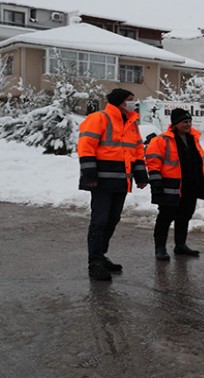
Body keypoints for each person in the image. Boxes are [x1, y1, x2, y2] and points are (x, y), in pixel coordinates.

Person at [78, 88, 148, 281]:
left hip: (121, 180)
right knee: (99, 222)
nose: (134, 103)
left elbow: (137, 150)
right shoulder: (100, 118)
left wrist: (140, 174)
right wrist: (89, 173)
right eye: (131, 100)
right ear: (120, 102)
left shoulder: (131, 123)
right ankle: (95, 263)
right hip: (101, 180)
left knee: (112, 220)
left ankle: (101, 255)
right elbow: (86, 145)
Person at [146, 109, 204, 261]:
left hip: (190, 185)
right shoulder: (162, 140)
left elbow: (200, 159)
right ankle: (160, 248)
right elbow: (153, 161)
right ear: (175, 124)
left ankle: (180, 245)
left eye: (189, 122)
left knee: (185, 216)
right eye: (184, 122)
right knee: (165, 217)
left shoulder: (193, 139)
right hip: (170, 185)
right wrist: (155, 181)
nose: (188, 125)